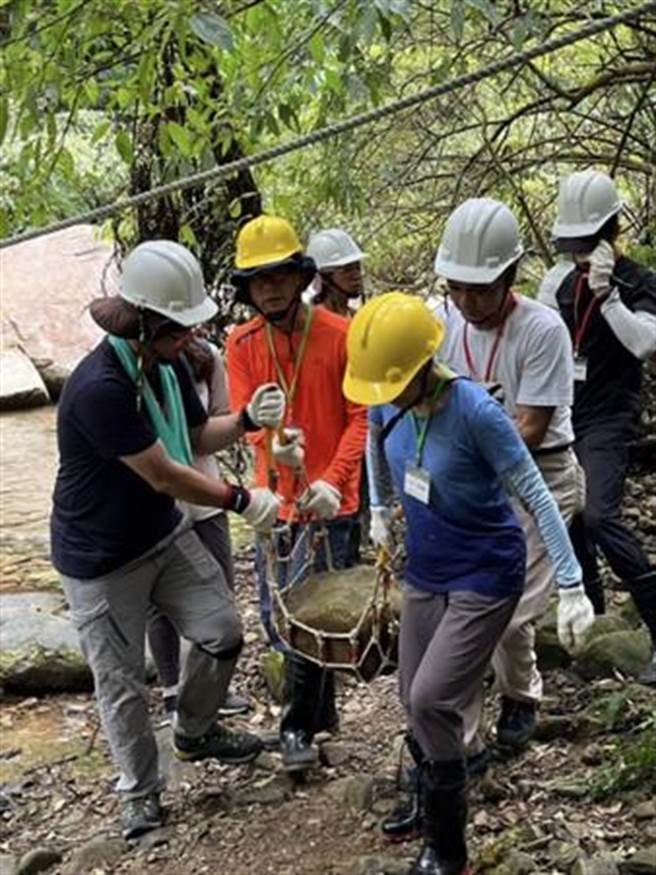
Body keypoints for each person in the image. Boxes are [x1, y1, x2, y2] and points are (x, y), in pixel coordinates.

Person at [346, 293, 594, 875]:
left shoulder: (475, 412)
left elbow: (535, 491)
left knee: (433, 697)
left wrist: (573, 583)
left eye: (390, 385)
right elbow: (373, 442)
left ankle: (447, 849)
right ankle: (431, 797)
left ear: (419, 369)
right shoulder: (389, 399)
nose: (381, 397)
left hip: (486, 571)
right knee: (412, 698)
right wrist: (379, 507)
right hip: (428, 568)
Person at [51, 240, 283, 840]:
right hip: (100, 558)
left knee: (221, 632)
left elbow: (200, 436)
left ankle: (195, 729)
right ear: (145, 323)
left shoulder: (172, 363)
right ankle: (141, 793)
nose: (189, 339)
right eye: (178, 329)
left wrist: (250, 419)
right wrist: (240, 499)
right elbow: (163, 472)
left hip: (160, 532)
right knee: (122, 680)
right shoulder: (99, 386)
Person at [226, 215, 368, 770]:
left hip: (333, 501)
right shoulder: (241, 344)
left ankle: (297, 729)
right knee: (275, 617)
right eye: (260, 280)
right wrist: (266, 438)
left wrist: (334, 480)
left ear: (301, 275)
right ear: (248, 290)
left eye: (281, 275)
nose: (272, 288)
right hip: (276, 501)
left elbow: (362, 417)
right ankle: (320, 711)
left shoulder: (339, 334)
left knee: (313, 617)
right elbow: (246, 416)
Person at [538, 169, 656, 685]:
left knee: (602, 514)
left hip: (611, 412)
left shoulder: (639, 283)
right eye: (574, 244)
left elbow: (644, 344)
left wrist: (608, 297)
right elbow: (540, 339)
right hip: (565, 409)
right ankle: (592, 624)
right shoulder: (557, 282)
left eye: (590, 242)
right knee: (567, 514)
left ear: (610, 234)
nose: (581, 253)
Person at [147, 334, 250, 720]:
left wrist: (246, 421)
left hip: (207, 490)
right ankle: (172, 691)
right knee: (159, 601)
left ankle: (213, 688)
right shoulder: (134, 363)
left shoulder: (206, 356)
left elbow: (217, 423)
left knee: (220, 591)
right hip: (158, 497)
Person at [306, 227, 366, 316]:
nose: (356, 275)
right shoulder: (312, 321)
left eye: (358, 268)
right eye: (347, 270)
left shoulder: (356, 318)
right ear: (324, 277)